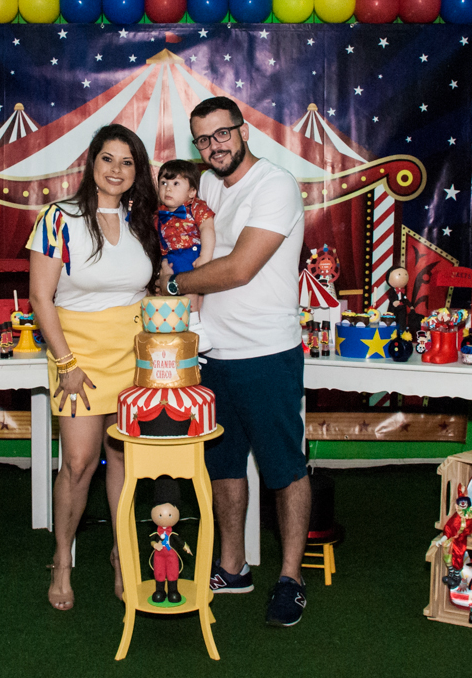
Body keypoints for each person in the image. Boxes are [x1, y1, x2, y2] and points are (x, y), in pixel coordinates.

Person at [158, 96, 310, 627]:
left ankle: (290, 578)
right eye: (202, 139)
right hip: (210, 352)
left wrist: (174, 284)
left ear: (243, 131)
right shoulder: (209, 192)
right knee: (222, 465)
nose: (213, 146)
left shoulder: (275, 184)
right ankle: (232, 566)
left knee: (284, 468)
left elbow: (241, 268)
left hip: (267, 352)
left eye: (221, 134)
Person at [27, 123, 162, 612]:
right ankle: (63, 559)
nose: (117, 170)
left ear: (137, 171)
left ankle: (122, 556)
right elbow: (42, 297)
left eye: (128, 162)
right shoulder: (57, 217)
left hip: (134, 358)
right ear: (92, 162)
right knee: (80, 464)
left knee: (126, 462)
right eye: (109, 159)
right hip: (77, 357)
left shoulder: (142, 221)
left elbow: (147, 293)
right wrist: (66, 363)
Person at [156, 159, 216, 350]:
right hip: (171, 257)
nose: (168, 189)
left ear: (192, 192)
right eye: (163, 183)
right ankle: (181, 327)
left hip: (190, 254)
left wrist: (205, 257)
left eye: (175, 183)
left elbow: (207, 228)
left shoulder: (195, 207)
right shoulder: (159, 213)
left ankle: (196, 325)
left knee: (189, 286)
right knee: (173, 295)